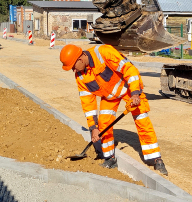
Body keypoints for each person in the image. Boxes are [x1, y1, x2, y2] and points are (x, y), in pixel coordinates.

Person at [60, 43, 168, 175]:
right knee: (103, 123)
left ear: (80, 60)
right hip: (109, 97)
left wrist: (135, 93)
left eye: (73, 67)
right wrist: (93, 128)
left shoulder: (104, 52)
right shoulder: (80, 76)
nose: (73, 71)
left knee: (142, 118)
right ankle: (109, 158)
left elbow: (129, 69)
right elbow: (87, 103)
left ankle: (155, 158)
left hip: (129, 89)